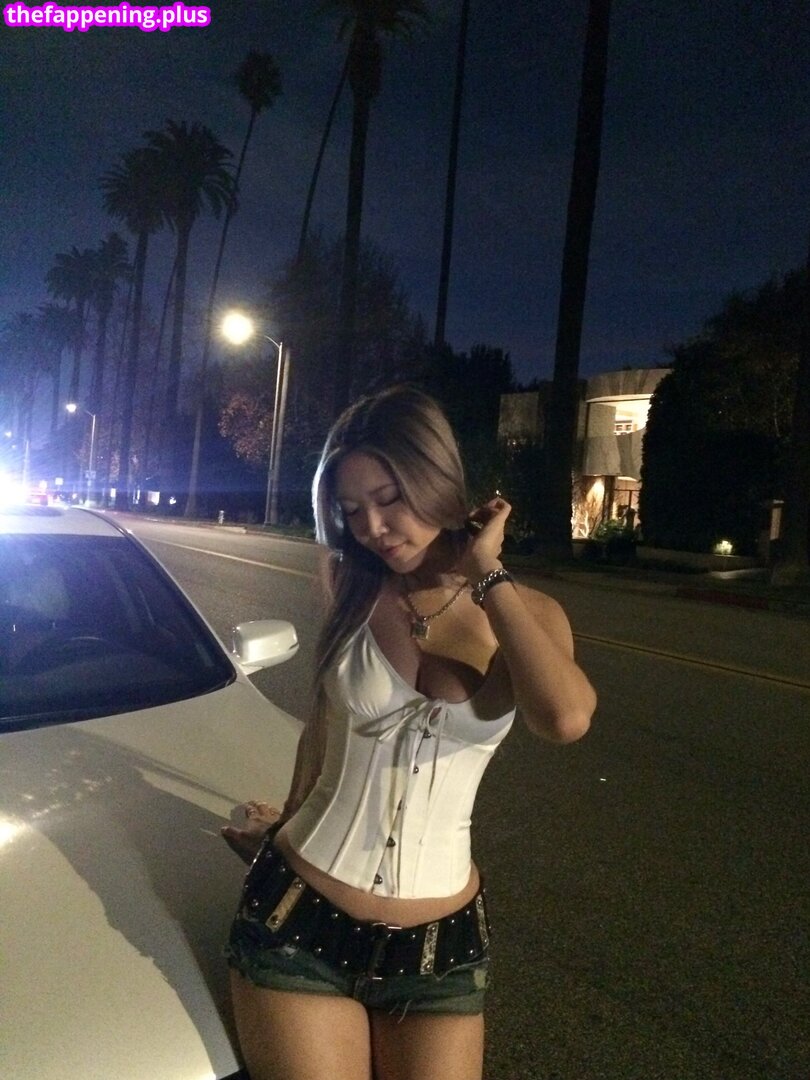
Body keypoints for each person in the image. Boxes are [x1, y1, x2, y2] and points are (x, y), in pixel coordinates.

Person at [223, 385, 596, 1080]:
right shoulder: (349, 579)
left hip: (439, 953)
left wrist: (487, 573)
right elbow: (328, 718)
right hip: (297, 919)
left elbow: (565, 718)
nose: (372, 527)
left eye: (389, 498)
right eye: (351, 510)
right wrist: (286, 820)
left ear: (435, 478)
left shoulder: (531, 613)